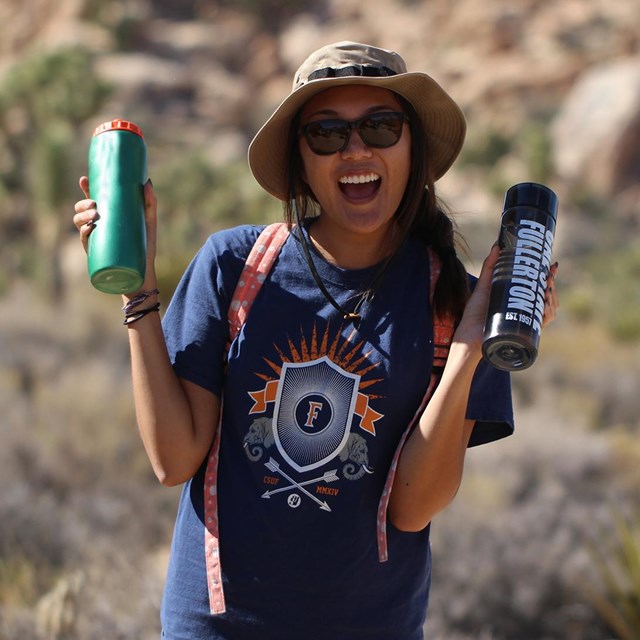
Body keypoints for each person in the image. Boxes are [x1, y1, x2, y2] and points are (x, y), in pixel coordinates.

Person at [73, 41, 558, 640]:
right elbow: (173, 460)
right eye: (327, 134)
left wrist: (466, 349)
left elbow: (413, 506)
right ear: (301, 161)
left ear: (414, 148)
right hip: (217, 626)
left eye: (381, 127)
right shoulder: (234, 266)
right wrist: (139, 296)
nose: (356, 149)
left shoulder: (461, 301)